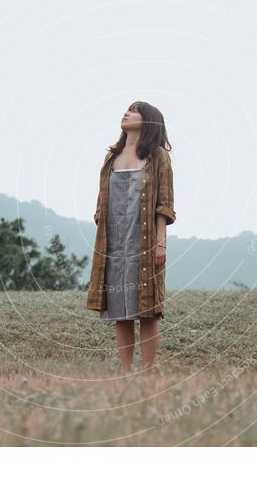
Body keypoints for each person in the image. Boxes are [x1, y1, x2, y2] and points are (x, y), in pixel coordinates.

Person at [86, 101, 176, 372]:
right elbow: (102, 203)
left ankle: (147, 371)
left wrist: (160, 243)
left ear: (148, 119)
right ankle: (126, 372)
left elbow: (164, 203)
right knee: (119, 309)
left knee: (147, 310)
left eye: (133, 110)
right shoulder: (111, 156)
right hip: (113, 240)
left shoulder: (158, 156)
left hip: (145, 240)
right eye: (126, 110)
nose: (125, 113)